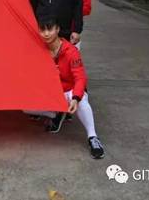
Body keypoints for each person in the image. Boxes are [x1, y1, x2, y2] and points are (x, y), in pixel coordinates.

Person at [33, 15, 105, 159]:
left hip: (70, 90)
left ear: (57, 29)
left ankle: (93, 137)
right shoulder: (38, 50)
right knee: (25, 106)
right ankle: (57, 114)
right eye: (42, 30)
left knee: (82, 102)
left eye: (50, 29)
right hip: (52, 91)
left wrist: (76, 98)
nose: (46, 34)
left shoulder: (71, 52)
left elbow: (80, 78)